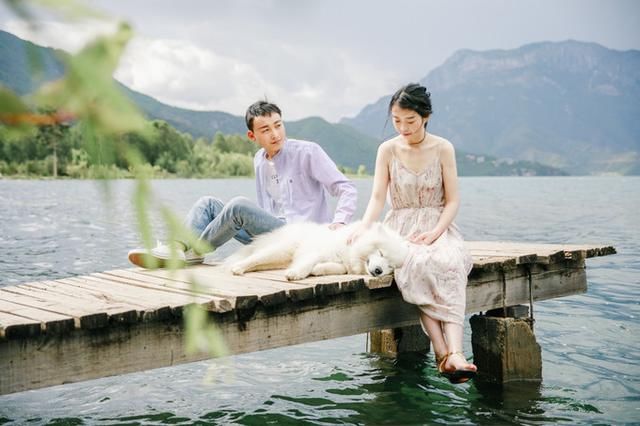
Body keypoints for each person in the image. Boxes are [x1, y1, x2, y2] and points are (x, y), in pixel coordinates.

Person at [348, 83, 477, 383]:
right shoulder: (387, 150)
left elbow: (453, 200)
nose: (403, 128)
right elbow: (377, 197)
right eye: (397, 120)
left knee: (450, 262)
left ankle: (454, 352)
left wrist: (435, 232)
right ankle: (443, 353)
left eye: (410, 121)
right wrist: (364, 227)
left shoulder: (443, 148)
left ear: (425, 117)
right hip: (400, 227)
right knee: (415, 263)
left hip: (437, 224)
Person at [128, 100, 357, 267]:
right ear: (252, 136)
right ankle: (179, 247)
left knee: (238, 206)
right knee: (207, 204)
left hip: (301, 238)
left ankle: (191, 250)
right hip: (271, 237)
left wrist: (339, 221)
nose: (275, 134)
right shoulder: (259, 160)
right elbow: (265, 208)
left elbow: (347, 188)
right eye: (266, 130)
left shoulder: (308, 152)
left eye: (278, 125)